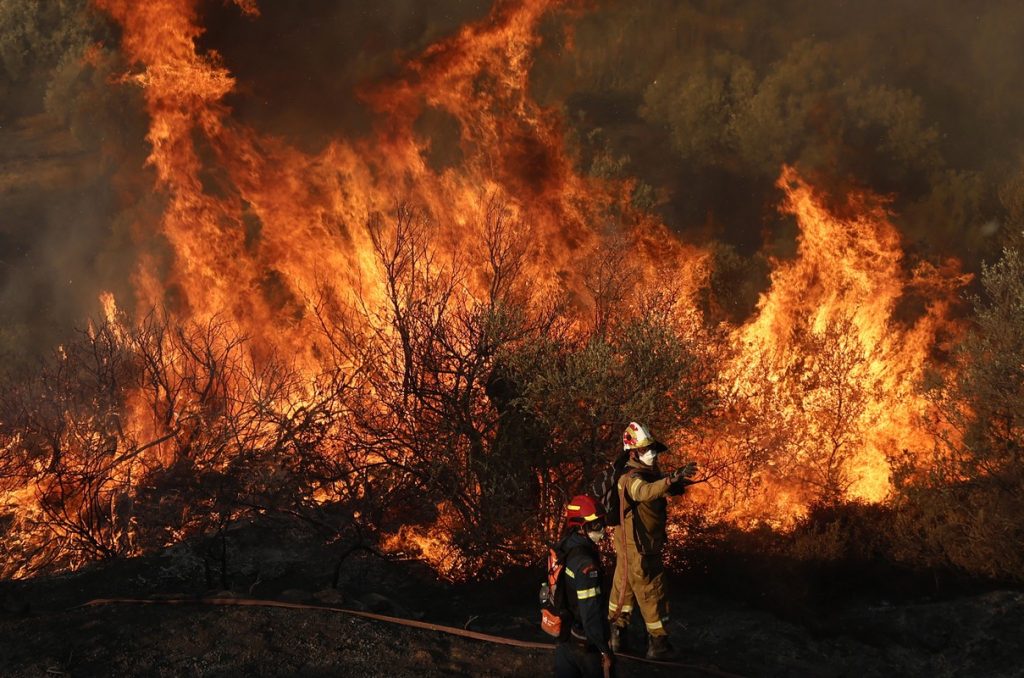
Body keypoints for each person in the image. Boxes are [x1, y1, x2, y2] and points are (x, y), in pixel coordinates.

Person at [607, 422, 697, 661]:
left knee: (623, 592)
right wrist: (669, 481)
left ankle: (617, 638)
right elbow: (643, 492)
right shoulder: (631, 478)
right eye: (647, 449)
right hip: (640, 550)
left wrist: (672, 484)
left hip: (631, 547)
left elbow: (652, 490)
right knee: (652, 593)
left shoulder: (644, 473)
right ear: (633, 452)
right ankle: (658, 646)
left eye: (654, 448)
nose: (653, 453)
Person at [554, 494, 616, 678]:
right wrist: (604, 649)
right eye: (596, 525)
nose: (603, 529)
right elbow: (590, 613)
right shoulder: (586, 566)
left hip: (565, 640)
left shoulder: (564, 548)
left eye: (602, 522)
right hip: (585, 646)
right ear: (580, 528)